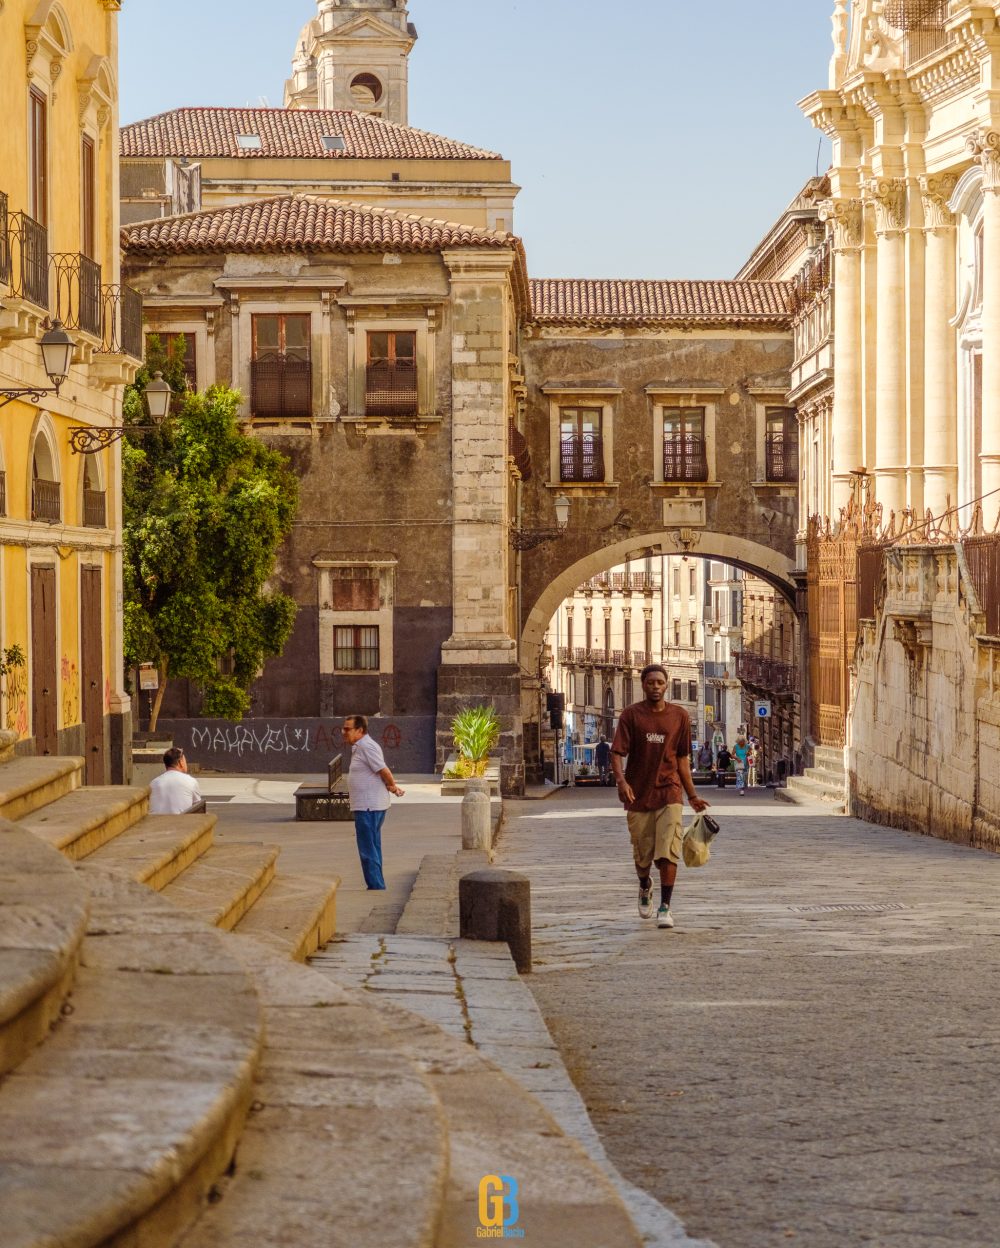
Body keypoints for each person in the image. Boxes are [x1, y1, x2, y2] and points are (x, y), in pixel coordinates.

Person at [611, 665, 710, 930]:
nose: (655, 687)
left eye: (660, 683)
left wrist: (692, 795)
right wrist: (621, 781)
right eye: (651, 682)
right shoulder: (631, 715)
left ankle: (665, 907)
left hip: (670, 791)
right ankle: (645, 885)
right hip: (638, 794)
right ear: (643, 685)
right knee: (642, 858)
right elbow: (617, 752)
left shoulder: (679, 716)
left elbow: (682, 759)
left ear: (666, 686)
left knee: (668, 851)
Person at [341, 715, 405, 891]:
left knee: (367, 848)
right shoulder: (360, 747)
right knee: (372, 846)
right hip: (368, 805)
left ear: (360, 730)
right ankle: (377, 883)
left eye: (347, 729)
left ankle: (376, 886)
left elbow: (384, 770)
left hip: (368, 806)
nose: (343, 732)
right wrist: (392, 787)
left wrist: (392, 785)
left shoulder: (367, 746)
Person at [148, 747, 203, 815]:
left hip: (155, 823)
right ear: (180, 762)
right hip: (180, 823)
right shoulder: (191, 781)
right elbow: (198, 809)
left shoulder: (153, 783)